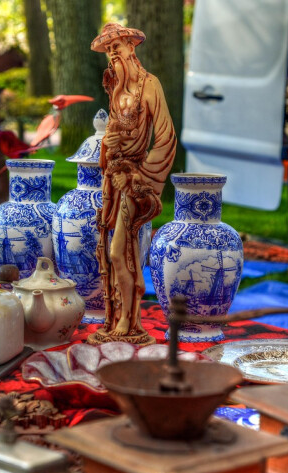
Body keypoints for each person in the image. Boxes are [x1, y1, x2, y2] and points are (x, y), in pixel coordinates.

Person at [87, 23, 177, 345]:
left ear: (131, 47)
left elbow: (166, 137)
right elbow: (112, 140)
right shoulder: (117, 90)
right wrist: (107, 145)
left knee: (118, 250)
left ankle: (128, 318)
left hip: (133, 179)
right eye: (108, 50)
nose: (112, 53)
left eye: (117, 46)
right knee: (115, 251)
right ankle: (117, 316)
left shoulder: (150, 85)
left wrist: (141, 177)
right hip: (112, 179)